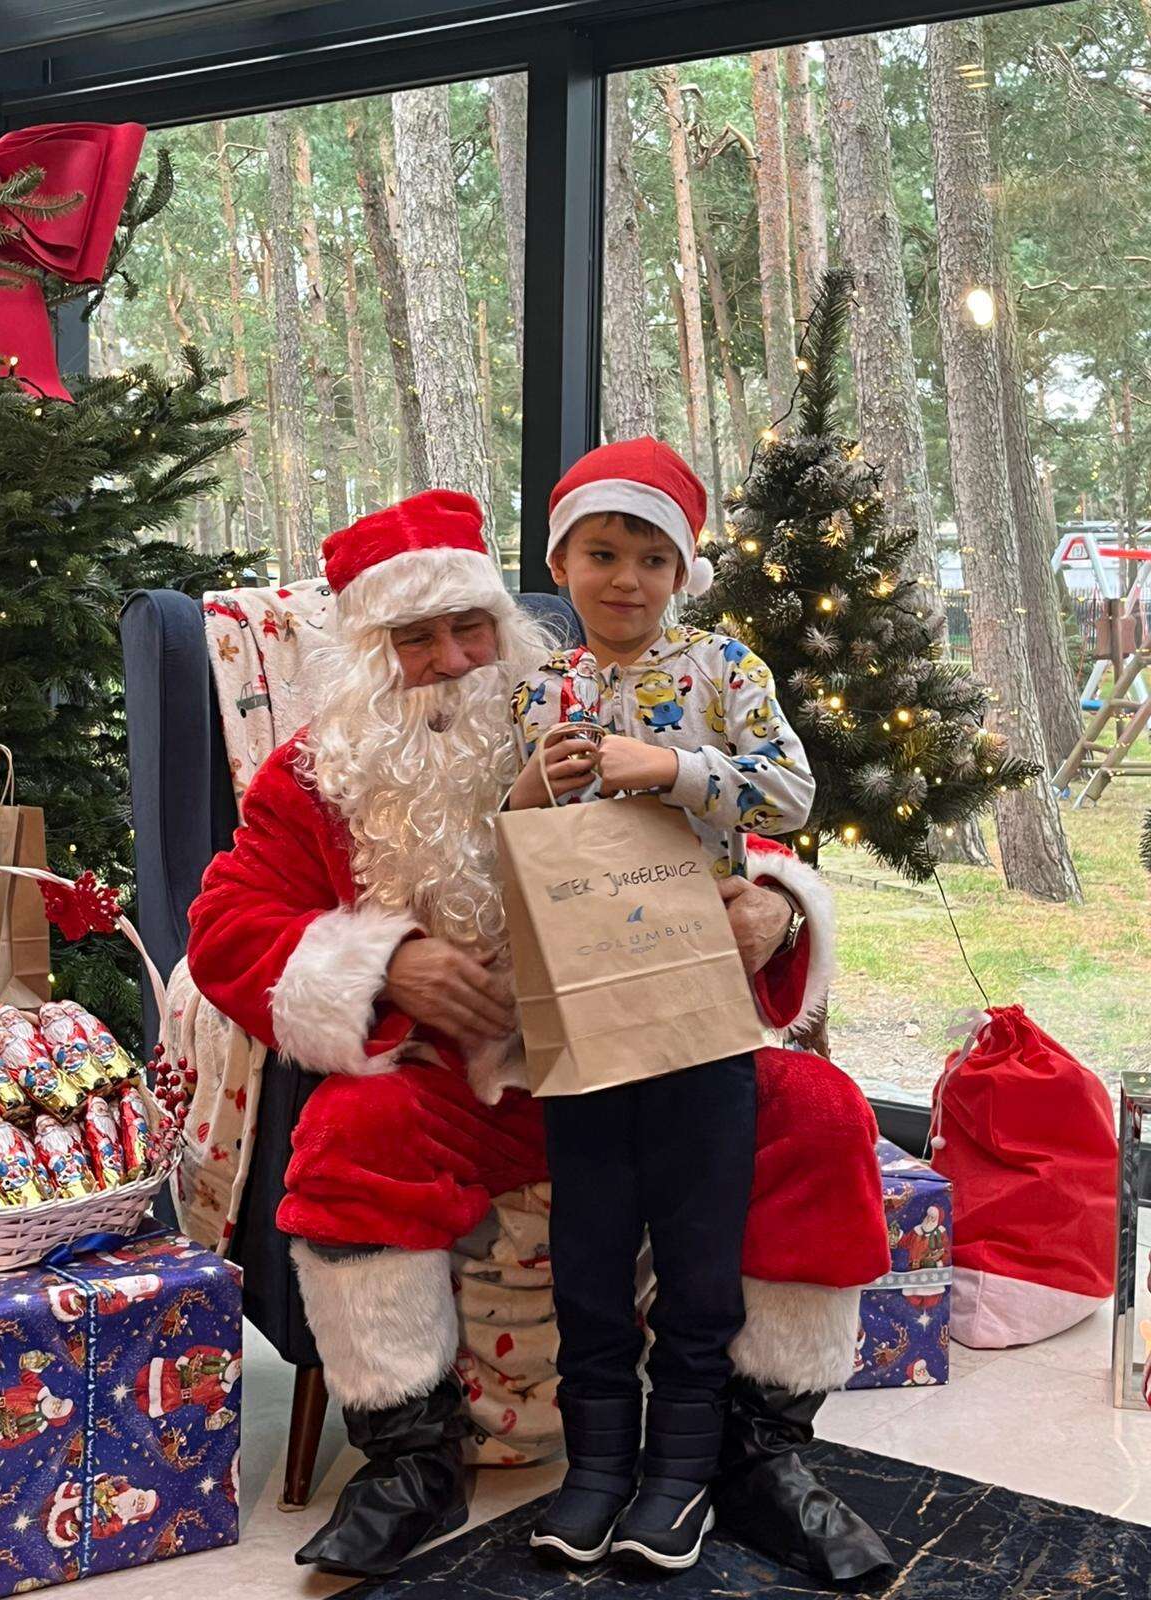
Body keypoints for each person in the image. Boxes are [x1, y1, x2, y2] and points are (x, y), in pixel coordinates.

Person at [185, 488, 892, 1584]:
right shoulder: (318, 778)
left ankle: (756, 1450)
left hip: (651, 1052)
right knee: (352, 1135)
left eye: (471, 627)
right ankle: (412, 1460)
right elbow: (226, 929)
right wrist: (386, 963)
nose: (453, 660)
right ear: (367, 655)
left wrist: (779, 908)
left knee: (820, 1114)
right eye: (415, 639)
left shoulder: (594, 705)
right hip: (468, 1089)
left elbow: (726, 828)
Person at [506, 436, 821, 1572]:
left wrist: (671, 769)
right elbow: (512, 837)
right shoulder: (539, 686)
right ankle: (597, 1470)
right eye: (602, 553)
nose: (627, 579)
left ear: (682, 570)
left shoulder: (724, 667)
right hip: (585, 1003)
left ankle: (679, 1477)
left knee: (696, 1243)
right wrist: (531, 784)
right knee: (589, 1246)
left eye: (652, 557)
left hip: (699, 1003)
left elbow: (792, 788)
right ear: (562, 562)